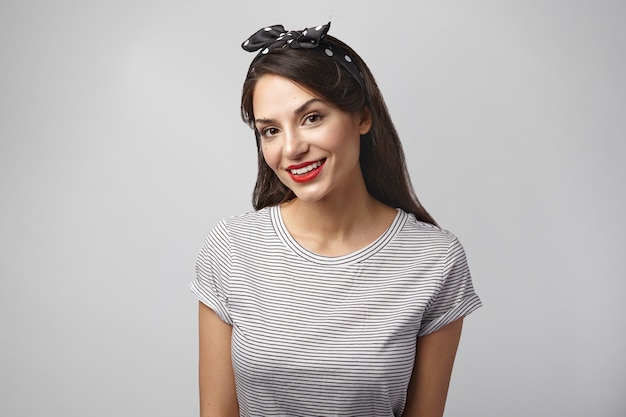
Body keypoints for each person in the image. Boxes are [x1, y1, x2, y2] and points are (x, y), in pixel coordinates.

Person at [190, 22, 482, 417]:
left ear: (362, 117)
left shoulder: (435, 258)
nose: (291, 148)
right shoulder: (231, 246)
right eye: (270, 130)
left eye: (312, 118)